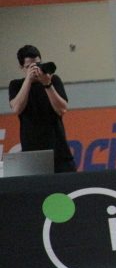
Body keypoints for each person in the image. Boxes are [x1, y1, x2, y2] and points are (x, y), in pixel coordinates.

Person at [8, 45, 76, 173]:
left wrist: (47, 84)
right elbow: (17, 108)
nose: (35, 70)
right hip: (32, 154)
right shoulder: (16, 85)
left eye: (37, 64)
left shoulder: (53, 80)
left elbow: (62, 109)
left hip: (58, 151)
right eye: (29, 67)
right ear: (21, 67)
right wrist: (28, 80)